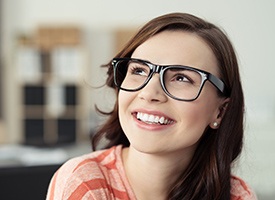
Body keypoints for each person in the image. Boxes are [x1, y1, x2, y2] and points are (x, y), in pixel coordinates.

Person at [46, 13, 257, 200]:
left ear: (220, 111)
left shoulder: (237, 195)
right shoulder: (85, 183)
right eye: (139, 71)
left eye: (181, 78)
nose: (149, 93)